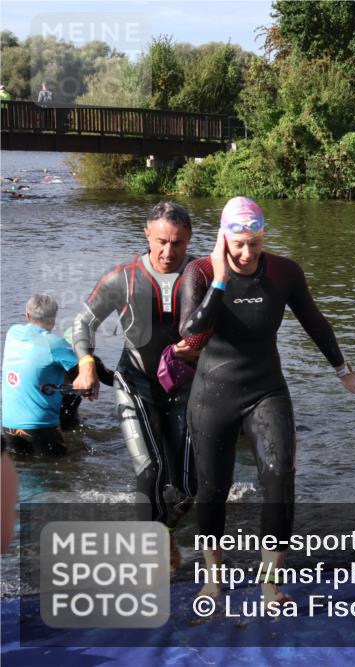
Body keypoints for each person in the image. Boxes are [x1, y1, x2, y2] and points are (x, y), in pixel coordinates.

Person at [179, 196, 355, 604]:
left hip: (265, 389)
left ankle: (271, 583)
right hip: (212, 395)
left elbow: (315, 323)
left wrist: (344, 372)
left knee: (279, 475)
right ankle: (213, 580)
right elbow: (190, 333)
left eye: (255, 242)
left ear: (263, 237)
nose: (248, 253)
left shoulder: (284, 272)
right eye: (239, 244)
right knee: (213, 489)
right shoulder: (198, 272)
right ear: (223, 239)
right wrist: (219, 280)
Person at [72, 201, 200, 565]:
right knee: (151, 468)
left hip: (185, 388)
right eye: (160, 241)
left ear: (188, 238)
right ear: (147, 234)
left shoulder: (202, 273)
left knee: (189, 487)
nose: (167, 251)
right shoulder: (123, 277)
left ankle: (166, 533)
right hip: (136, 382)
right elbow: (83, 323)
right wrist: (86, 365)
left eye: (177, 243)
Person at [2, 294, 80, 456]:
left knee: (21, 471)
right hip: (41, 426)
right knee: (62, 469)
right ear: (54, 318)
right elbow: (83, 375)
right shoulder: (56, 344)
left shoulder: (12, 333)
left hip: (9, 425)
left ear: (27, 315)